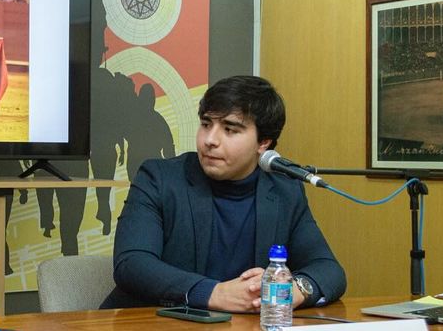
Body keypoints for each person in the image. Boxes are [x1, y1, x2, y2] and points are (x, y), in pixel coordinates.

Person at [101, 75, 346, 313]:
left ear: (263, 143)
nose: (210, 140)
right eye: (206, 124)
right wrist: (214, 293)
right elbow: (132, 264)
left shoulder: (285, 190)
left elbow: (329, 270)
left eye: (230, 129)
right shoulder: (160, 178)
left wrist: (294, 290)